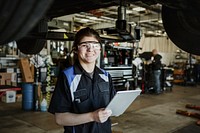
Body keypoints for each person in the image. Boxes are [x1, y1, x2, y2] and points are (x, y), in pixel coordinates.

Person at [48, 27, 116, 133]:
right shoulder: (67, 76)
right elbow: (60, 118)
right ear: (76, 49)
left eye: (95, 45)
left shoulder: (106, 76)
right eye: (85, 45)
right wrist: (92, 116)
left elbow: (113, 106)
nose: (90, 49)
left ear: (100, 49)